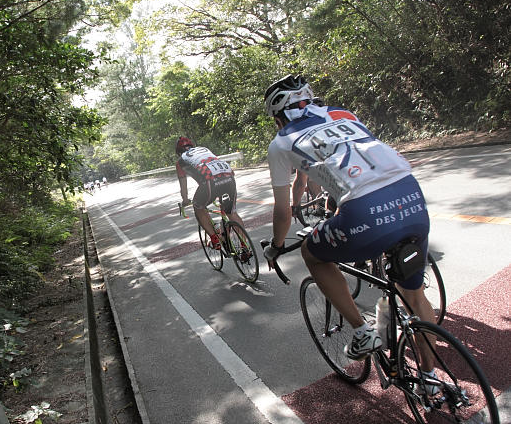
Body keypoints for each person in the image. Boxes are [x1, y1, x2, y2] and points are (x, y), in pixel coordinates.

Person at [262, 74, 437, 366]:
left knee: (313, 254)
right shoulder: (345, 116)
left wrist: (276, 247)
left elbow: (282, 212)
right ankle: (432, 382)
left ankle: (362, 332)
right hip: (411, 194)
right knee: (415, 297)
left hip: (365, 210)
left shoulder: (281, 142)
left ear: (277, 116)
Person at [175, 136, 245, 250]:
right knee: (231, 213)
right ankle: (245, 248)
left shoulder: (181, 161)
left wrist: (185, 200)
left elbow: (183, 186)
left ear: (178, 152)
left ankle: (215, 239)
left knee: (198, 207)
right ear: (192, 146)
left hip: (210, 182)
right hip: (229, 177)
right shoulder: (203, 149)